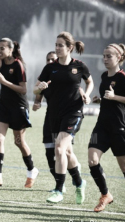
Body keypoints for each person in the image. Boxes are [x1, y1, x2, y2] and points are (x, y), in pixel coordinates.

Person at [35, 31, 94, 204]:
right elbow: (35, 89)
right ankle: (79, 182)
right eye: (56, 45)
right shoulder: (50, 67)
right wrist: (40, 87)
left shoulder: (79, 66)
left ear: (70, 47)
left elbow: (90, 81)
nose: (57, 48)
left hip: (73, 112)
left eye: (61, 45)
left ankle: (59, 190)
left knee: (59, 149)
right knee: (67, 151)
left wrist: (88, 95)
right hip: (54, 114)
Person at [88, 43, 125, 214]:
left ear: (119, 58)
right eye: (104, 56)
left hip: (120, 127)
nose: (105, 59)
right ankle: (105, 195)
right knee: (92, 160)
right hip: (102, 126)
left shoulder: (122, 77)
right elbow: (109, 97)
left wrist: (115, 97)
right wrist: (101, 100)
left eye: (109, 56)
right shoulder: (104, 75)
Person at [0, 38, 38, 188]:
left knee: (19, 142)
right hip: (3, 106)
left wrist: (4, 82)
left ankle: (31, 170)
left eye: (2, 48)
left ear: (11, 50)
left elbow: (23, 90)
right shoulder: (1, 64)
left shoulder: (18, 65)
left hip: (18, 107)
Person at [33, 52, 82, 193]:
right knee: (51, 153)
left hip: (66, 117)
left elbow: (77, 88)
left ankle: (63, 185)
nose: (50, 61)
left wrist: (84, 95)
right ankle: (67, 181)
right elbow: (37, 93)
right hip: (51, 117)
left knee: (62, 150)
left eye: (52, 58)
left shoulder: (66, 76)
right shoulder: (47, 75)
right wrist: (37, 101)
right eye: (47, 59)